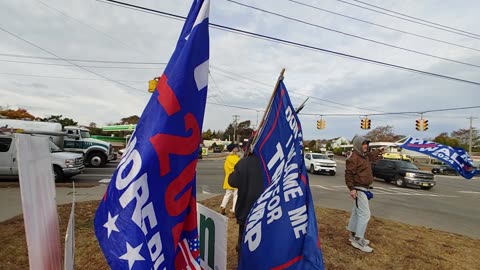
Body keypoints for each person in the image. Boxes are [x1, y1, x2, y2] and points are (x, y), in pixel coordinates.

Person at [345, 135, 384, 253]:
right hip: (358, 188)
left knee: (357, 212)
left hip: (363, 188)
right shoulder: (354, 157)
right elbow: (349, 174)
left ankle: (352, 235)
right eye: (363, 144)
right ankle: (358, 239)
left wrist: (379, 150)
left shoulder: (364, 156)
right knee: (365, 214)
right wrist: (351, 188)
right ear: (358, 145)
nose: (365, 146)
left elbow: (372, 156)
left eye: (366, 144)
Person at [228, 151, 264, 262]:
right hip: (266, 211)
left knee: (244, 242)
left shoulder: (243, 163)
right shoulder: (269, 163)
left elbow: (232, 181)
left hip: (245, 211)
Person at [219, 143, 240, 216]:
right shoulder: (236, 158)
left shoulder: (228, 158)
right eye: (236, 147)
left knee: (227, 194)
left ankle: (223, 207)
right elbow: (239, 168)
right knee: (236, 195)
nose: (237, 148)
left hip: (228, 178)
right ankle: (233, 211)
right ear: (233, 149)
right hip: (236, 178)